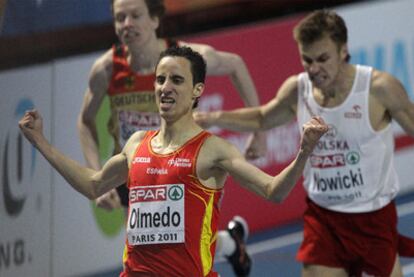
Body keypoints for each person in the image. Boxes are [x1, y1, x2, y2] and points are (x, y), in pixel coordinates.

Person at [20, 45, 327, 276]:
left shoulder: (213, 150)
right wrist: (41, 142)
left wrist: (303, 152)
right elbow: (93, 184)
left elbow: (274, 190)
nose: (165, 87)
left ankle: (232, 245)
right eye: (160, 79)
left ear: (197, 91)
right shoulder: (137, 143)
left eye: (176, 80)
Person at [194, 9, 414, 277]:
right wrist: (212, 117)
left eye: (322, 59)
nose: (313, 69)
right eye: (306, 60)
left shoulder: (378, 88)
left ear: (343, 50)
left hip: (374, 219)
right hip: (324, 220)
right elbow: (263, 117)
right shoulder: (299, 89)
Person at [77, 1, 265, 273]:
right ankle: (232, 243)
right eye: (120, 18)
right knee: (160, 244)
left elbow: (236, 65)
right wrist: (98, 175)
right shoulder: (107, 69)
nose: (127, 23)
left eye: (135, 15)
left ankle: (228, 245)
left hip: (184, 167)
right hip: (138, 170)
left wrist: (257, 131)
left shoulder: (186, 60)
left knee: (184, 248)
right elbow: (85, 121)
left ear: (155, 20)